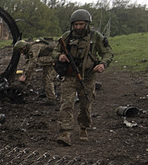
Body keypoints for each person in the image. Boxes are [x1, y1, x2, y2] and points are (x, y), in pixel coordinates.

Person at [52, 9, 113, 146]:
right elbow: (55, 50)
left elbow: (108, 52)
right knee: (66, 104)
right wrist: (59, 56)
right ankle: (65, 133)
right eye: (76, 24)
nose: (78, 27)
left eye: (81, 24)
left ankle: (84, 127)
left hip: (88, 76)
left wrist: (103, 64)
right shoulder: (67, 36)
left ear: (87, 23)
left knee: (85, 104)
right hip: (69, 75)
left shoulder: (95, 37)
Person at [14, 39, 58, 105]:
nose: (21, 52)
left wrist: (25, 77)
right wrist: (24, 74)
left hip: (53, 58)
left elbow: (32, 63)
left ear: (23, 47)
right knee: (46, 79)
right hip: (49, 59)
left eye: (20, 50)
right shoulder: (28, 50)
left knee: (46, 77)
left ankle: (52, 99)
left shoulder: (33, 48)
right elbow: (27, 63)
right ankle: (51, 98)